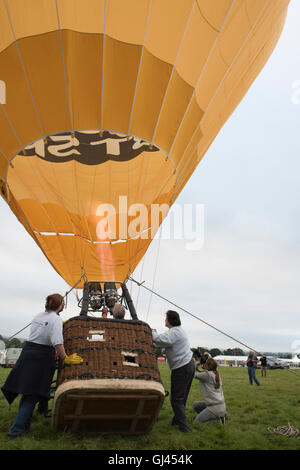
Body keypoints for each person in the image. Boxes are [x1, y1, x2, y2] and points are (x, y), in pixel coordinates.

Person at [1, 293, 80, 439]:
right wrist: (65, 358)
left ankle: (25, 426)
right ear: (61, 305)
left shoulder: (39, 316)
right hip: (41, 356)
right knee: (33, 395)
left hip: (28, 353)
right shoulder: (56, 320)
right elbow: (57, 341)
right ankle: (16, 431)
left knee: (28, 393)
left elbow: (42, 330)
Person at [152, 310, 194, 432]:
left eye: (166, 319)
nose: (165, 321)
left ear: (170, 321)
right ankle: (177, 420)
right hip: (188, 365)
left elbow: (158, 339)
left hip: (182, 367)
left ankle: (184, 427)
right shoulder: (177, 331)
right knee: (182, 397)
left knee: (176, 399)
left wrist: (152, 331)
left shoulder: (174, 332)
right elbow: (161, 343)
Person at [192, 357, 226, 425]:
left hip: (214, 407)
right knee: (195, 405)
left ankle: (215, 422)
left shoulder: (207, 375)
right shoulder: (216, 374)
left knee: (196, 423)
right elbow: (200, 373)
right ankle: (219, 416)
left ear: (207, 365)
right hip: (221, 405)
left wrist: (197, 363)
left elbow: (193, 374)